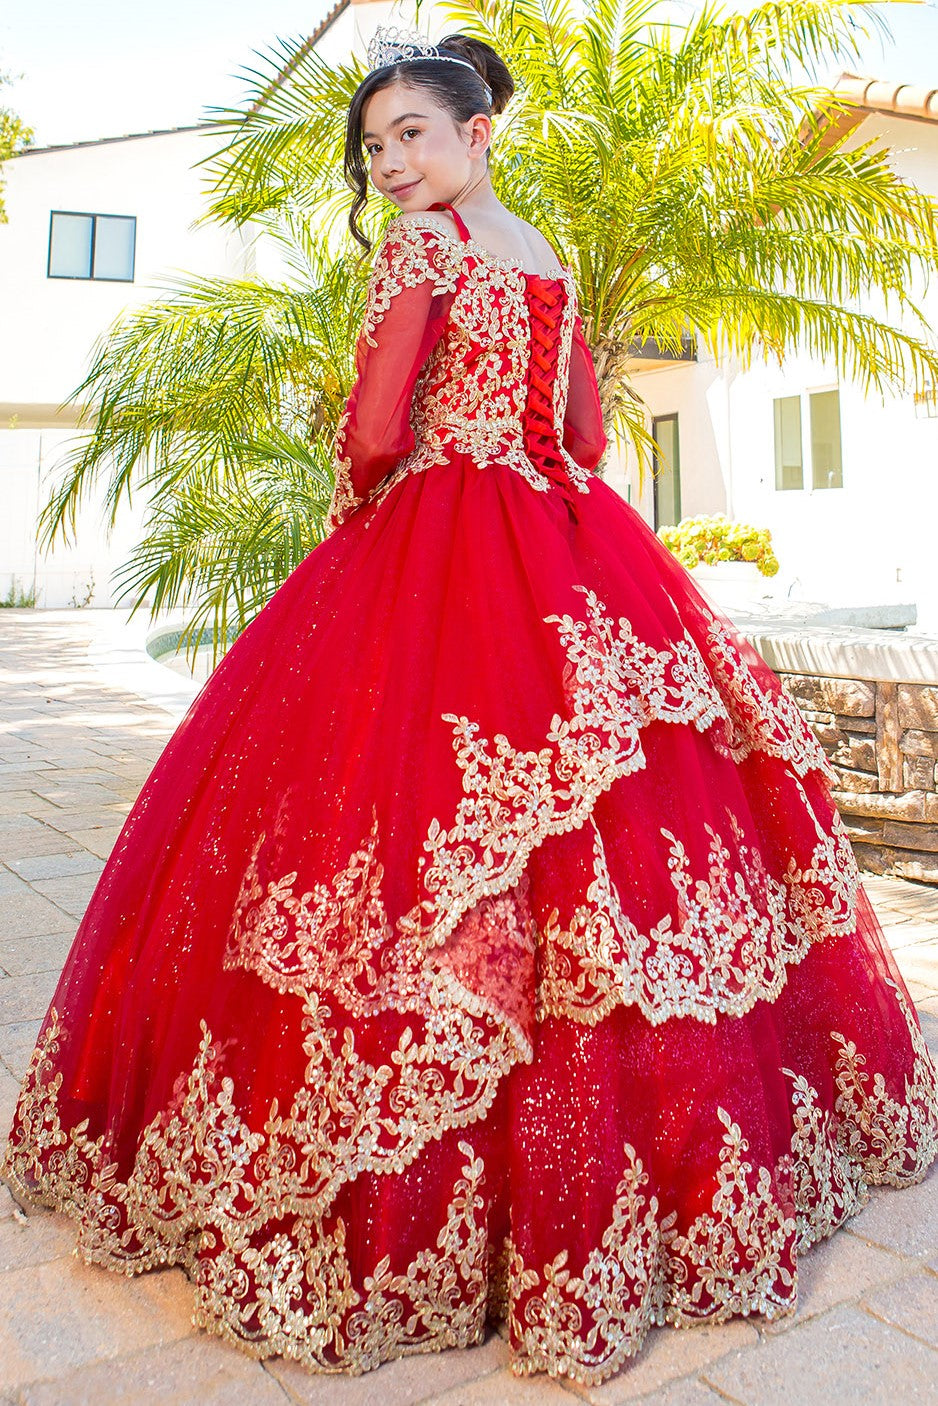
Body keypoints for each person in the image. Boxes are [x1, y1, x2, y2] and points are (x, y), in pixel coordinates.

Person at [3, 25, 937, 1389]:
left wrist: (364, 502)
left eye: (411, 135)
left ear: (475, 131)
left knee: (398, 814)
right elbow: (589, 438)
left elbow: (379, 428)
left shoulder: (422, 250)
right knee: (614, 830)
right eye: (374, 146)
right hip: (569, 540)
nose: (389, 164)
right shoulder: (545, 253)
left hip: (440, 534)